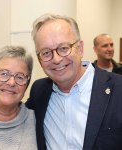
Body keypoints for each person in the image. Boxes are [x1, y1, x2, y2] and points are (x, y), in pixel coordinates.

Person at [26, 13, 122, 150]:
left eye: (64, 48)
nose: (56, 59)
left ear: (80, 48)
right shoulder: (39, 91)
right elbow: (11, 116)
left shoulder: (119, 89)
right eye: (46, 52)